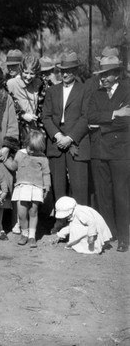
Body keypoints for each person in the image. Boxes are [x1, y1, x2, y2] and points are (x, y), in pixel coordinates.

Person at [87, 56, 130, 252]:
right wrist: (114, 114)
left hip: (121, 151)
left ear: (117, 75)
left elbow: (127, 122)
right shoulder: (96, 94)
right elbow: (90, 116)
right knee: (103, 195)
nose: (102, 78)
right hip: (99, 152)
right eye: (101, 75)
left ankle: (124, 237)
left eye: (106, 75)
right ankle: (109, 233)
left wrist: (101, 127)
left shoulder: (127, 90)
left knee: (121, 195)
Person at [42, 52, 91, 206]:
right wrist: (58, 136)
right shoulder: (52, 91)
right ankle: (60, 221)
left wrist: (69, 138)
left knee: (79, 186)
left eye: (69, 70)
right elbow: (46, 117)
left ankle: (80, 223)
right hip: (56, 143)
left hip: (77, 141)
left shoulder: (85, 90)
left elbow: (86, 117)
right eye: (62, 70)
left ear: (76, 71)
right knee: (58, 186)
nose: (65, 74)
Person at [9, 130, 51, 247]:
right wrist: (4, 159)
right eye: (30, 148)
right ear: (25, 143)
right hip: (22, 187)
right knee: (22, 212)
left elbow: (46, 173)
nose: (32, 151)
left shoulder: (42, 158)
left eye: (35, 150)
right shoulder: (20, 154)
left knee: (33, 211)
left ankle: (32, 236)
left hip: (36, 187)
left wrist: (46, 187)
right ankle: (24, 233)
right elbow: (13, 166)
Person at [6, 55, 43, 145]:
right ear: (21, 70)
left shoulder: (39, 83)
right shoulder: (11, 84)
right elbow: (7, 107)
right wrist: (22, 115)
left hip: (34, 129)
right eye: (26, 73)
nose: (28, 77)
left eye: (32, 73)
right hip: (19, 129)